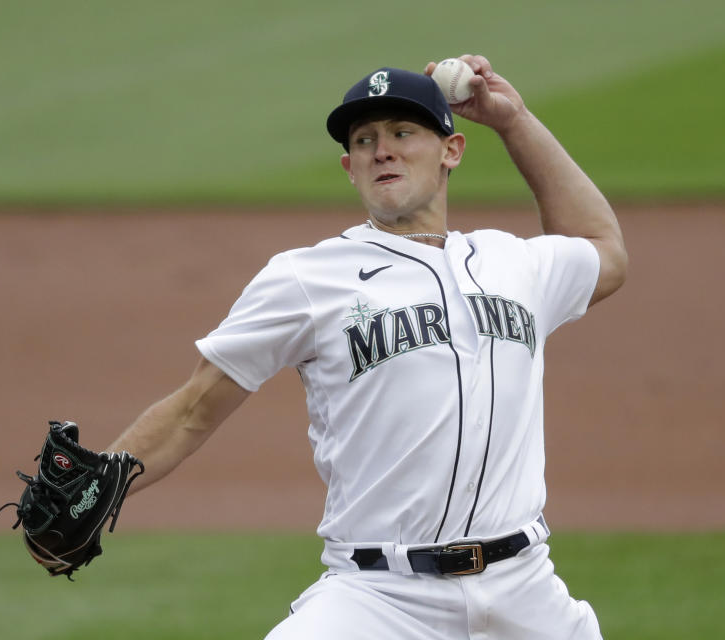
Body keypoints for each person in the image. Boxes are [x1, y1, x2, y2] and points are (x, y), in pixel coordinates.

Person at [108, 55, 628, 639]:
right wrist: (103, 481)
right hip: (380, 599)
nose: (382, 150)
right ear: (349, 168)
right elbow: (194, 407)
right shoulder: (307, 278)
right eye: (365, 140)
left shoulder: (514, 263)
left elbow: (602, 249)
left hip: (525, 592)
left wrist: (516, 123)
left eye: (403, 133)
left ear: (451, 150)